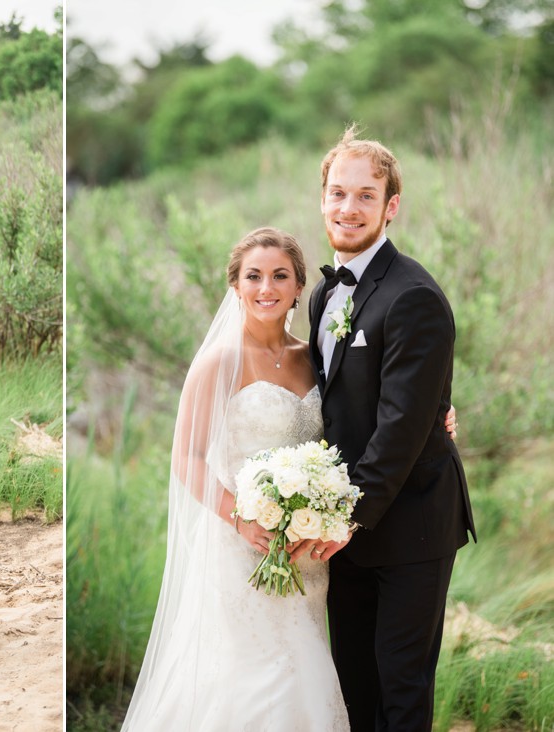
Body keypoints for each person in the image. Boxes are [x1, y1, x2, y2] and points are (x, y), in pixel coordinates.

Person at [120, 228, 459, 730]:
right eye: (252, 276)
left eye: (280, 276)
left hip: (310, 553)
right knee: (252, 679)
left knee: (313, 670)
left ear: (301, 287)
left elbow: (375, 400)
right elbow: (186, 457)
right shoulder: (218, 362)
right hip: (243, 549)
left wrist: (439, 412)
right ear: (234, 285)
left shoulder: (314, 356)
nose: (266, 288)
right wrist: (240, 518)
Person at [304, 126, 476, 731]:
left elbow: (402, 424)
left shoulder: (413, 297)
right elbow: (330, 402)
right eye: (337, 193)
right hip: (342, 524)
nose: (348, 208)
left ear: (390, 206)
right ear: (322, 198)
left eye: (365, 195)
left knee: (400, 691)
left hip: (409, 526)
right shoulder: (324, 293)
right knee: (354, 685)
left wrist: (345, 519)